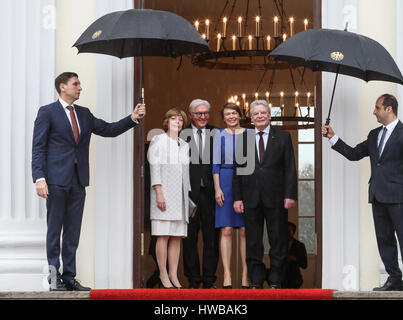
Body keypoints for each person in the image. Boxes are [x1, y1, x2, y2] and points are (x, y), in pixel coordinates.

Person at [31, 72, 145, 291]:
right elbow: (38, 147)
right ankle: (54, 279)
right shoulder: (47, 112)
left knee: (73, 231)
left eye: (80, 84)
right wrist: (39, 177)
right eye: (75, 84)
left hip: (78, 180)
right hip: (54, 180)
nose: (80, 87)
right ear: (62, 87)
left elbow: (109, 129)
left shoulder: (84, 114)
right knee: (55, 230)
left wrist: (133, 118)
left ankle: (69, 277)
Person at [322, 93, 403, 291]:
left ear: (388, 109)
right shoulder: (374, 134)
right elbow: (354, 154)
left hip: (399, 196)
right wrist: (333, 137)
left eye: (377, 108)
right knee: (384, 240)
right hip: (377, 195)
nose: (374, 111)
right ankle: (395, 279)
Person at [233, 100, 297, 289]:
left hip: (276, 197)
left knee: (277, 241)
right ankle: (257, 280)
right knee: (253, 242)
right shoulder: (243, 139)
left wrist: (290, 194)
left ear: (269, 116)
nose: (260, 116)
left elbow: (290, 168)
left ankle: (276, 280)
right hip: (250, 197)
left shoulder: (283, 137)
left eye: (263, 113)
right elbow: (238, 170)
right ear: (251, 118)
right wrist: (237, 197)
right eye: (256, 114)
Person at [147, 108, 191, 289]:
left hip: (180, 196)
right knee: (163, 235)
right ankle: (163, 273)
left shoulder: (184, 144)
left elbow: (185, 173)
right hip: (163, 193)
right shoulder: (158, 140)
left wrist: (187, 196)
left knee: (177, 236)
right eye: (173, 118)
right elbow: (154, 167)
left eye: (180, 120)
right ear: (166, 121)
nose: (177, 122)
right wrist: (158, 192)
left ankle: (173, 274)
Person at [181, 99, 219, 289]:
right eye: (198, 113)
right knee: (189, 238)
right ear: (190, 115)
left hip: (212, 194)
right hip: (189, 193)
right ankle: (194, 280)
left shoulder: (217, 133)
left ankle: (209, 280)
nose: (202, 117)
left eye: (205, 113)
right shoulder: (181, 134)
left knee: (212, 238)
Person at [212, 103, 249, 288]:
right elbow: (215, 165)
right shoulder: (219, 135)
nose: (231, 116)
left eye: (234, 112)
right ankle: (227, 274)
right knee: (226, 230)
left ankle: (245, 274)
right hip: (225, 181)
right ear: (223, 118)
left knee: (245, 231)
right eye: (227, 114)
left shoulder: (249, 134)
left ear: (240, 115)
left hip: (245, 180)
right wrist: (217, 189)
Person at [281, 222, 307, 288]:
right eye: (285, 231)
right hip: (280, 278)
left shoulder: (300, 246)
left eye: (289, 231)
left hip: (295, 279)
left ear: (293, 232)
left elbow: (304, 264)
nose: (286, 233)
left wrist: (294, 258)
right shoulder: (279, 245)